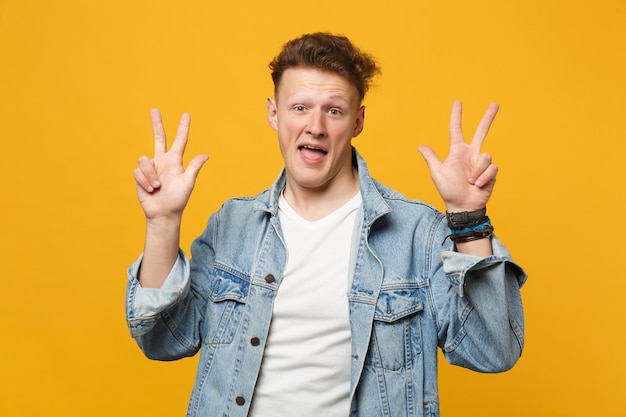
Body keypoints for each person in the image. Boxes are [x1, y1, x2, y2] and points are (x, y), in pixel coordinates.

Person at [126, 32, 526, 417]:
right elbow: (162, 339)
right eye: (300, 107)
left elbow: (493, 350)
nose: (315, 126)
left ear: (357, 121)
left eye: (334, 110)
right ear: (274, 113)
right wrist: (162, 223)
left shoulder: (415, 233)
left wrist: (468, 220)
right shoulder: (232, 225)